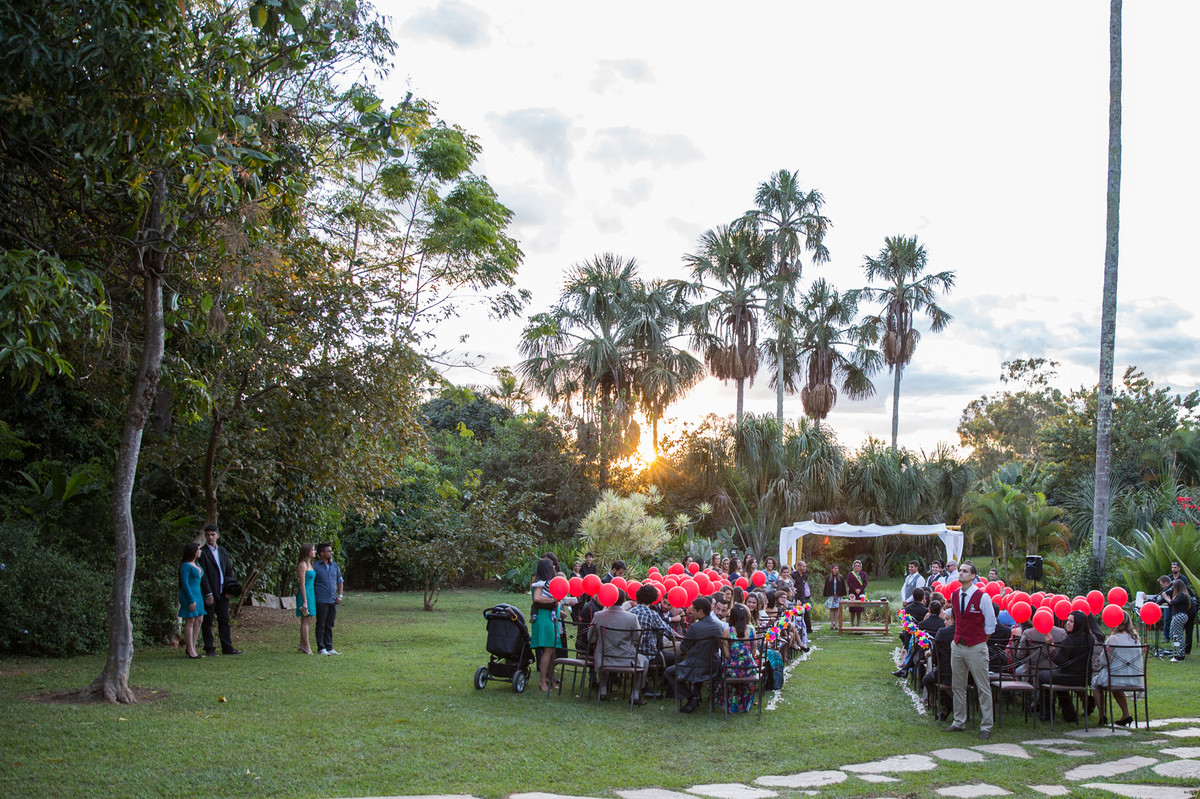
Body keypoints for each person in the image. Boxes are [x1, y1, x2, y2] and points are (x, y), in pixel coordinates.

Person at [945, 561, 996, 739]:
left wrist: (979, 641)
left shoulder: (983, 597)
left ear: (973, 576)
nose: (961, 573)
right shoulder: (955, 595)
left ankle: (986, 725)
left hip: (976, 646)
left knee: (983, 686)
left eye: (965, 571)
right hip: (958, 645)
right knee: (958, 685)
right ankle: (959, 721)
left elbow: (990, 625)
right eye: (960, 571)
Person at [665, 596, 723, 713]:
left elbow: (683, 648)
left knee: (669, 672)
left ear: (701, 611)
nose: (691, 612)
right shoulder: (718, 626)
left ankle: (692, 697)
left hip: (696, 666)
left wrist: (676, 643)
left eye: (694, 610)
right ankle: (695, 696)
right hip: (713, 664)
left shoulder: (695, 627)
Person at [592, 589, 648, 704]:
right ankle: (635, 694)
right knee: (645, 661)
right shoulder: (632, 618)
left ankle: (603, 689)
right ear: (623, 600)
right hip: (626, 660)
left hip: (604, 659)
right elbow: (639, 640)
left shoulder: (598, 616)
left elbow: (590, 638)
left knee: (602, 653)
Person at [1038, 609, 1092, 722]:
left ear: (1078, 624)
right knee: (1056, 678)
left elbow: (1059, 661)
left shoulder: (1071, 640)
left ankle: (1046, 713)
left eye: (1071, 621)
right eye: (1068, 620)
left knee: (1042, 676)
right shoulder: (1089, 639)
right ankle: (1069, 714)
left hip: (1070, 677)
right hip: (1084, 678)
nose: (1067, 623)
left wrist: (1051, 646)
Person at [198, 523, 242, 656]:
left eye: (213, 535)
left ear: (217, 536)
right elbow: (203, 574)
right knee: (208, 621)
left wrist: (229, 588)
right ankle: (209, 648)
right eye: (208, 535)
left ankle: (227, 647)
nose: (210, 537)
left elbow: (228, 571)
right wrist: (208, 593)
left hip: (223, 591)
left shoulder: (222, 551)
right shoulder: (203, 552)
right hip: (211, 591)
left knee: (224, 620)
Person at [1091, 611, 1141, 726]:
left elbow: (1103, 660)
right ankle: (1126, 714)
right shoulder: (1136, 639)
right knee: (1115, 683)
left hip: (1116, 677)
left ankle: (1102, 714)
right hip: (1134, 678)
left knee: (1094, 682)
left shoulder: (1113, 639)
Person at [718, 602, 758, 713]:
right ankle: (744, 704)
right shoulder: (751, 629)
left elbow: (727, 655)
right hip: (749, 669)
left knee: (722, 669)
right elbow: (753, 652)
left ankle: (731, 704)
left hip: (732, 670)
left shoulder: (727, 631)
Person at [530, 558, 561, 693]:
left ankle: (551, 678)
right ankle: (542, 680)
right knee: (548, 649)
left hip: (551, 617)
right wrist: (553, 600)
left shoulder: (550, 584)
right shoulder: (539, 583)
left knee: (552, 649)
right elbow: (537, 598)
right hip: (544, 617)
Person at [313, 542, 344, 655]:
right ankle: (321, 647)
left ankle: (329, 646)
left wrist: (339, 595)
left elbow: (340, 581)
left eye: (331, 551)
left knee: (329, 624)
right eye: (328, 551)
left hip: (332, 600)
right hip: (321, 599)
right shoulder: (315, 567)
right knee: (321, 624)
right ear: (321, 553)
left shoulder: (335, 566)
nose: (331, 553)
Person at [178, 542, 205, 659]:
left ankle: (193, 646)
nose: (200, 551)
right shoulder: (185, 566)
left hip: (198, 594)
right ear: (193, 552)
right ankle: (190, 648)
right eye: (198, 549)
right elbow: (184, 583)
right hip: (189, 594)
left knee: (199, 619)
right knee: (190, 620)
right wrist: (191, 599)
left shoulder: (197, 565)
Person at [295, 544, 316, 654]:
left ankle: (302, 644)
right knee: (305, 620)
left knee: (309, 619)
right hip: (305, 593)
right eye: (312, 549)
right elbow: (302, 584)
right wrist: (304, 601)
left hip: (311, 592)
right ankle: (306, 646)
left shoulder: (310, 564)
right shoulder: (302, 565)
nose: (314, 551)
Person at [1168, 578, 1194, 662]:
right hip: (1177, 615)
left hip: (1179, 616)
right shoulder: (1180, 594)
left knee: (1178, 635)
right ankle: (1176, 652)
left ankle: (1180, 653)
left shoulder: (1182, 595)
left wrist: (1167, 598)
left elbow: (1173, 603)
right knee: (1173, 634)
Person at [823, 563, 846, 629]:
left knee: (837, 609)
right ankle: (831, 623)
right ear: (832, 569)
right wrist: (832, 594)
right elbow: (827, 587)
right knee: (831, 609)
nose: (836, 570)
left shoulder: (840, 577)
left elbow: (842, 587)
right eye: (835, 568)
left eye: (837, 568)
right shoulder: (828, 578)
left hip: (838, 596)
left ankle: (836, 623)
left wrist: (837, 594)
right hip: (831, 596)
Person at [846, 559, 868, 627]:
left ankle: (858, 623)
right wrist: (855, 589)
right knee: (852, 608)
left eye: (858, 566)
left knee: (859, 608)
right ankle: (852, 623)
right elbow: (848, 582)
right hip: (852, 593)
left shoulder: (864, 574)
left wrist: (860, 589)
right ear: (853, 567)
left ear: (860, 567)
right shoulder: (850, 574)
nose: (857, 567)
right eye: (855, 566)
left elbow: (865, 583)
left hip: (861, 593)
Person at [794, 561, 813, 633]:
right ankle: (799, 628)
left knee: (806, 612)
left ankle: (809, 628)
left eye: (805, 566)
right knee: (798, 612)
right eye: (803, 566)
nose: (805, 568)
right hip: (797, 596)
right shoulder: (794, 575)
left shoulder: (805, 576)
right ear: (799, 567)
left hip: (804, 596)